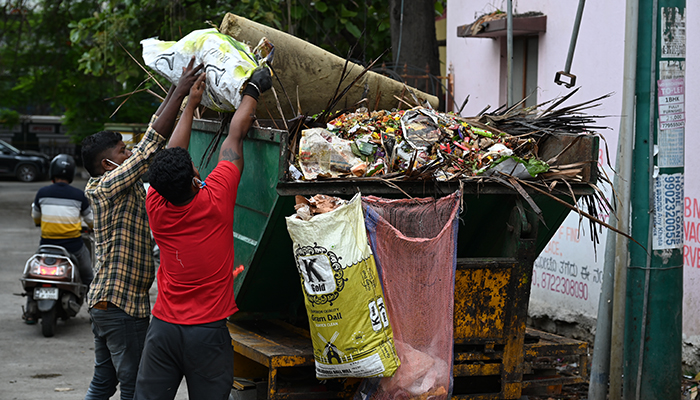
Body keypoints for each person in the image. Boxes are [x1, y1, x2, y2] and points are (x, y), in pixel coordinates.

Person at [133, 66, 272, 400]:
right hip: (207, 334)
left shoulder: (157, 206)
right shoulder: (217, 197)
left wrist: (191, 105)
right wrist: (253, 88)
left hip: (163, 330)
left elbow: (174, 153)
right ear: (196, 179)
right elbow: (235, 137)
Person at [81, 57, 204, 400]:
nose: (129, 152)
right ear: (107, 164)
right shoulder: (105, 186)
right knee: (135, 386)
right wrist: (181, 93)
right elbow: (151, 145)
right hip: (121, 306)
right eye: (122, 151)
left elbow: (151, 138)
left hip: (105, 305)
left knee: (103, 383)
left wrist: (175, 92)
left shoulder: (123, 185)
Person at [25, 154, 94, 324]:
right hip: (73, 247)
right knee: (88, 277)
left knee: (33, 276)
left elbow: (35, 216)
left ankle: (30, 312)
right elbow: (91, 220)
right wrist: (91, 228)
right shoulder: (79, 195)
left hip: (46, 246)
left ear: (52, 172)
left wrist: (40, 222)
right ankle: (96, 312)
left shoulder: (42, 193)